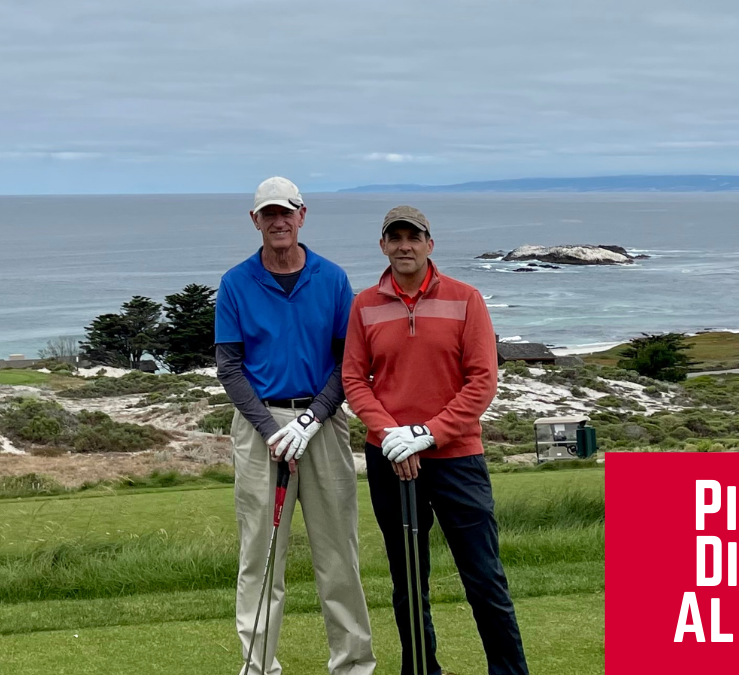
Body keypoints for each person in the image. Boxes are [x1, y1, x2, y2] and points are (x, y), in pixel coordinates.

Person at [343, 205, 529, 675]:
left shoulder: (467, 298)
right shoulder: (364, 304)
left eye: (413, 236)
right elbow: (354, 380)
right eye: (395, 237)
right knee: (408, 580)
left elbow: (482, 380)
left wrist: (427, 434)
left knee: (484, 577)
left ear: (430, 243)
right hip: (390, 459)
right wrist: (390, 437)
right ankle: (422, 670)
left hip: (457, 457)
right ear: (383, 245)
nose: (404, 245)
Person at [216, 176, 376, 675]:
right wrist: (271, 428)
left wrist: (311, 418)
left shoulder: (331, 279)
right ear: (255, 221)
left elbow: (349, 362)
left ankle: (352, 664)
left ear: (302, 215)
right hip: (259, 425)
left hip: (323, 423)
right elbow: (230, 366)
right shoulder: (236, 282)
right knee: (261, 554)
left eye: (286, 212)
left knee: (338, 554)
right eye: (269, 214)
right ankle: (258, 666)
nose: (278, 221)